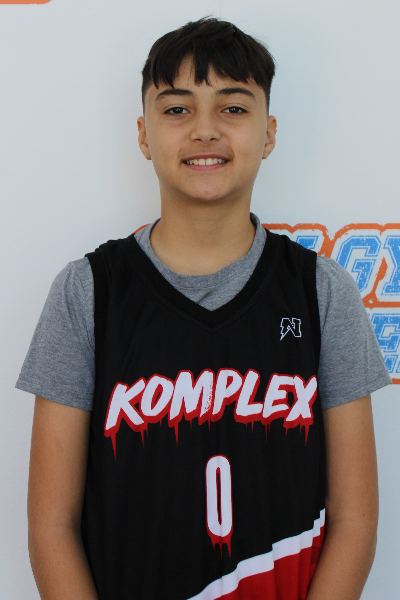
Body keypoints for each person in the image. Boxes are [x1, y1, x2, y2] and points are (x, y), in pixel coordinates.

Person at [16, 17, 391, 600]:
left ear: (269, 132)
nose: (205, 129)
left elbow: (355, 520)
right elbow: (50, 527)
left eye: (233, 108)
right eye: (177, 109)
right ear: (144, 134)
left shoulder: (321, 291)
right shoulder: (86, 292)